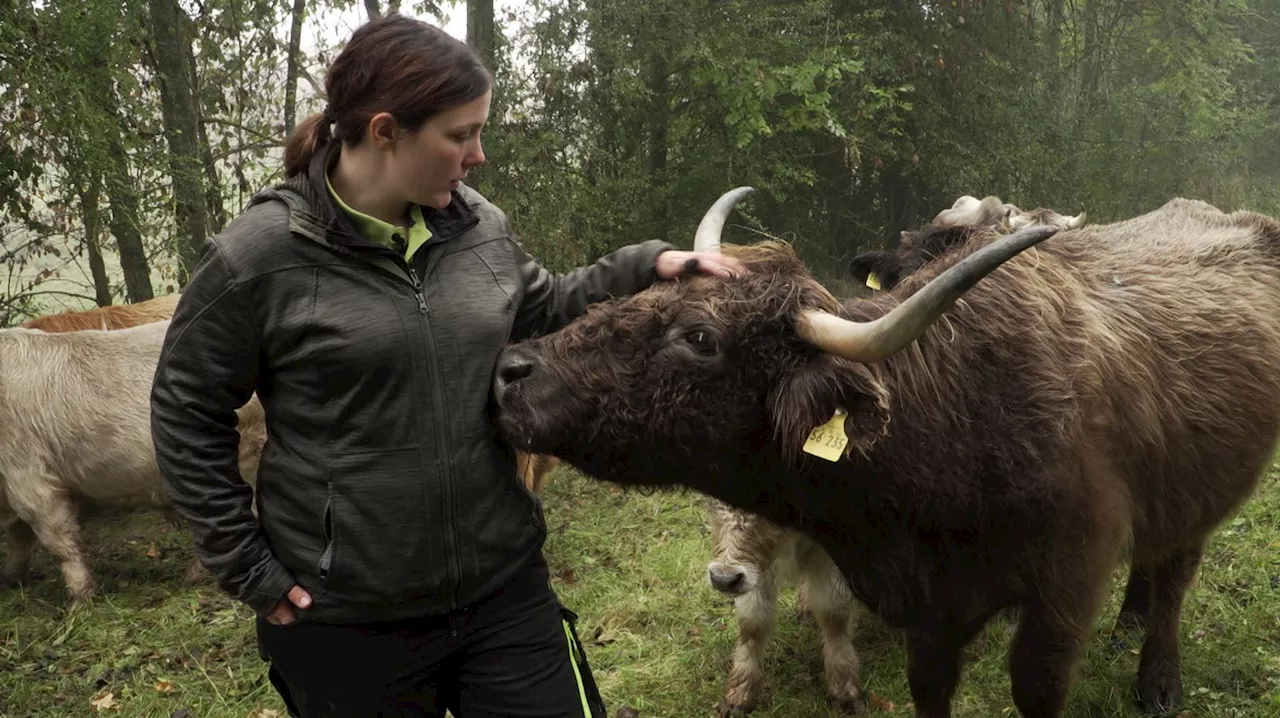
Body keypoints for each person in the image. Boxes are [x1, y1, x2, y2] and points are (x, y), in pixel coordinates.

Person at [149, 12, 743, 718]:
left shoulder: (476, 225)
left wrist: (651, 265)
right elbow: (185, 410)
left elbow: (544, 305)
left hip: (503, 589)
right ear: (384, 131)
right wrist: (248, 566)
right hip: (347, 622)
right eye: (461, 134)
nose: (478, 154)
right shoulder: (260, 256)